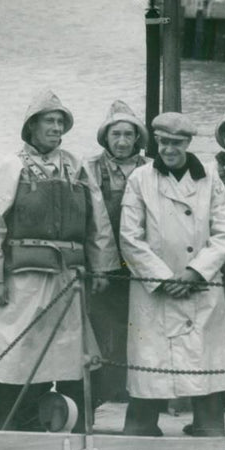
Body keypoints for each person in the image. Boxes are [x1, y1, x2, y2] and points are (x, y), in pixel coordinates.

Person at [0, 89, 120, 432]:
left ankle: (74, 422)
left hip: (68, 277)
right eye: (49, 122)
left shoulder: (75, 167)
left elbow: (97, 219)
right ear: (32, 126)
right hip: (24, 278)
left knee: (71, 352)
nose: (56, 128)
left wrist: (102, 266)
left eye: (60, 122)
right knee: (21, 350)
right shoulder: (10, 166)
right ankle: (14, 422)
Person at [120, 111, 225, 437]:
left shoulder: (210, 178)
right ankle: (140, 426)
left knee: (204, 363)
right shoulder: (140, 179)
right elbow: (130, 237)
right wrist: (163, 279)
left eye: (176, 142)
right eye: (163, 142)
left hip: (200, 287)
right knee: (151, 363)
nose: (169, 149)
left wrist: (195, 272)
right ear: (156, 142)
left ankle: (209, 425)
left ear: (188, 143)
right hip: (154, 291)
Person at [83, 100, 150, 406]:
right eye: (116, 135)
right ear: (106, 138)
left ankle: (139, 391)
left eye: (128, 135)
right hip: (104, 265)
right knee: (102, 329)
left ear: (137, 137)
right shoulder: (90, 168)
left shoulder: (150, 168)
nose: (122, 141)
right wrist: (98, 265)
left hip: (141, 264)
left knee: (140, 328)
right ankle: (105, 393)